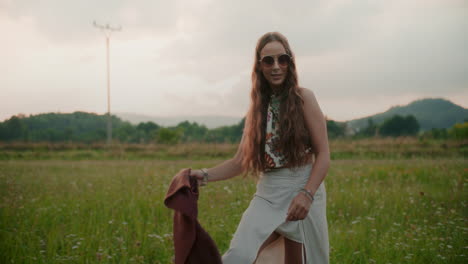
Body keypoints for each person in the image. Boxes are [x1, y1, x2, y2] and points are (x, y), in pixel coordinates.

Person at [190, 31, 330, 264]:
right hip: (269, 192)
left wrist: (307, 194)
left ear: (290, 62)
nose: (276, 66)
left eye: (282, 59)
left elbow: (324, 154)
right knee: (238, 257)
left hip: (303, 189)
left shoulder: (304, 98)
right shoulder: (256, 109)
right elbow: (240, 161)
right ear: (259, 66)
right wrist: (203, 175)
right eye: (268, 60)